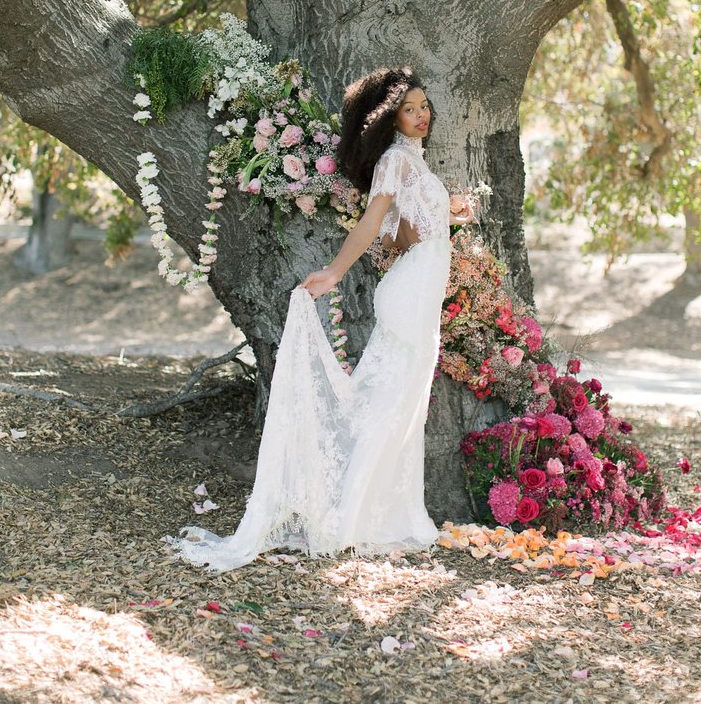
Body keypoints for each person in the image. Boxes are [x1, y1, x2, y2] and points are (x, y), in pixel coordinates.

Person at [165, 66, 472, 572]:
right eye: (409, 109)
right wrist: (332, 273)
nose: (422, 116)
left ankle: (390, 515)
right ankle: (345, 521)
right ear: (389, 119)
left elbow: (402, 236)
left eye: (424, 107)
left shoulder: (411, 162)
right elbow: (372, 225)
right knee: (389, 407)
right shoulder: (395, 160)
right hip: (412, 294)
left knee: (402, 406)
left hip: (419, 287)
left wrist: (449, 212)